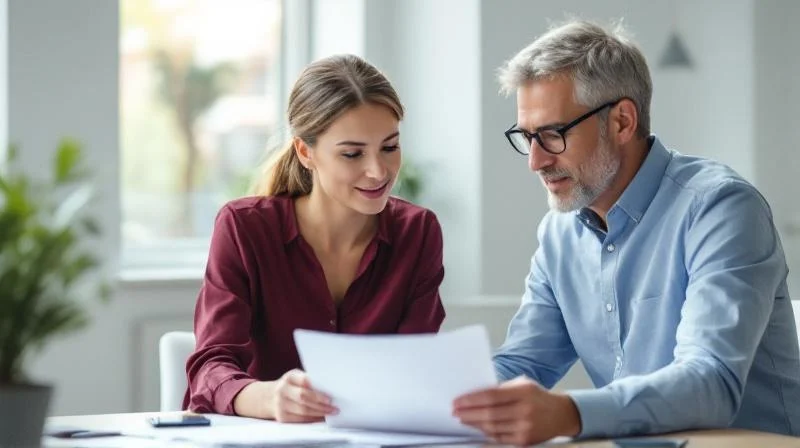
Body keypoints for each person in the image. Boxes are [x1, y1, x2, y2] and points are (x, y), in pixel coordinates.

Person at [452, 20, 800, 445]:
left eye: (553, 135)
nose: (536, 161)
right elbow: (525, 361)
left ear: (621, 122)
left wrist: (569, 412)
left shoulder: (721, 208)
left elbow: (711, 382)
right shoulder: (559, 234)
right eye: (527, 138)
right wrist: (431, 403)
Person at [184, 54, 446, 422]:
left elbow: (414, 365)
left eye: (389, 147)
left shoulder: (417, 233)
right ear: (306, 152)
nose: (378, 171)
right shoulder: (244, 228)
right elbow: (210, 367)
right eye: (352, 153)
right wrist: (270, 398)